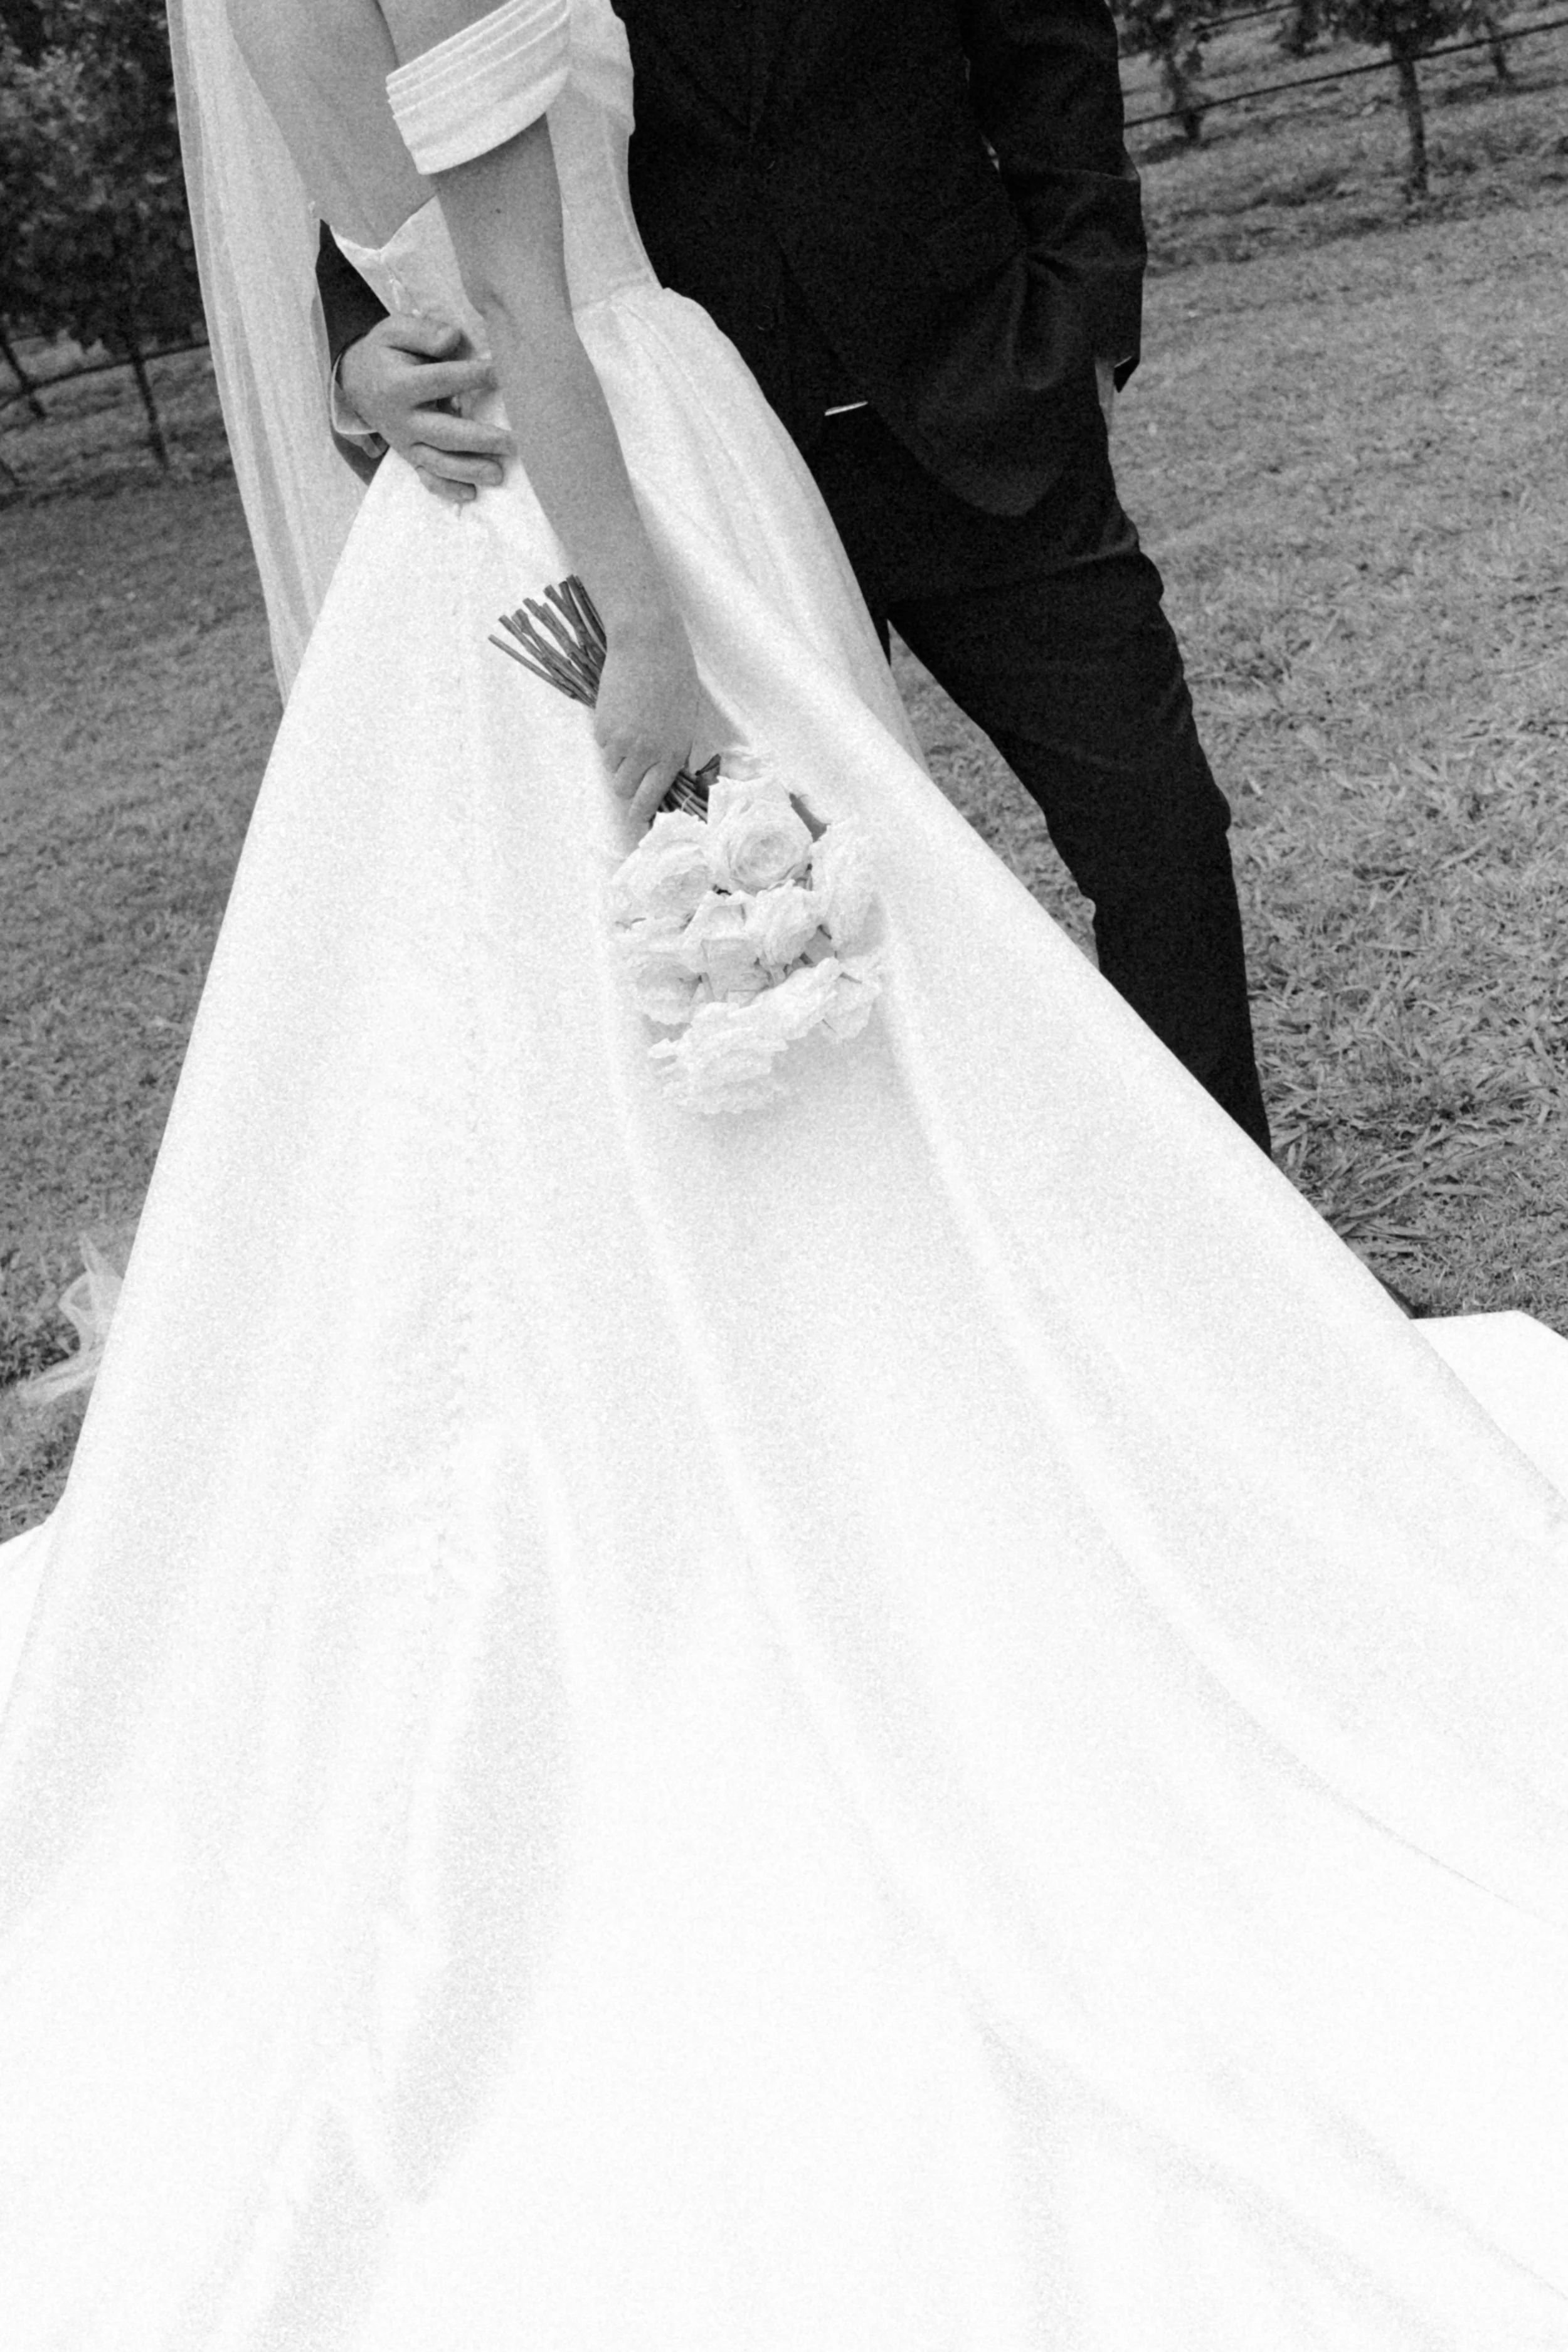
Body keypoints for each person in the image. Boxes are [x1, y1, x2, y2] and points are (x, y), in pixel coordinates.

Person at [1, 1, 1567, 2342]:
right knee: (735, 982)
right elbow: (471, 265)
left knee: (1018, 905)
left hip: (797, 429)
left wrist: (1050, 324)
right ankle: (820, 1443)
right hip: (626, 493)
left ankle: (1072, 1323)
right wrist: (530, 522)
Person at [317, 0, 1276, 1155]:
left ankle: (1236, 1244)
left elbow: (1051, 53)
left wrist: (1083, 328)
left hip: (985, 404)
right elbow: (418, 106)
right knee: (790, 906)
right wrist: (357, 356)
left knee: (1157, 831)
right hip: (707, 491)